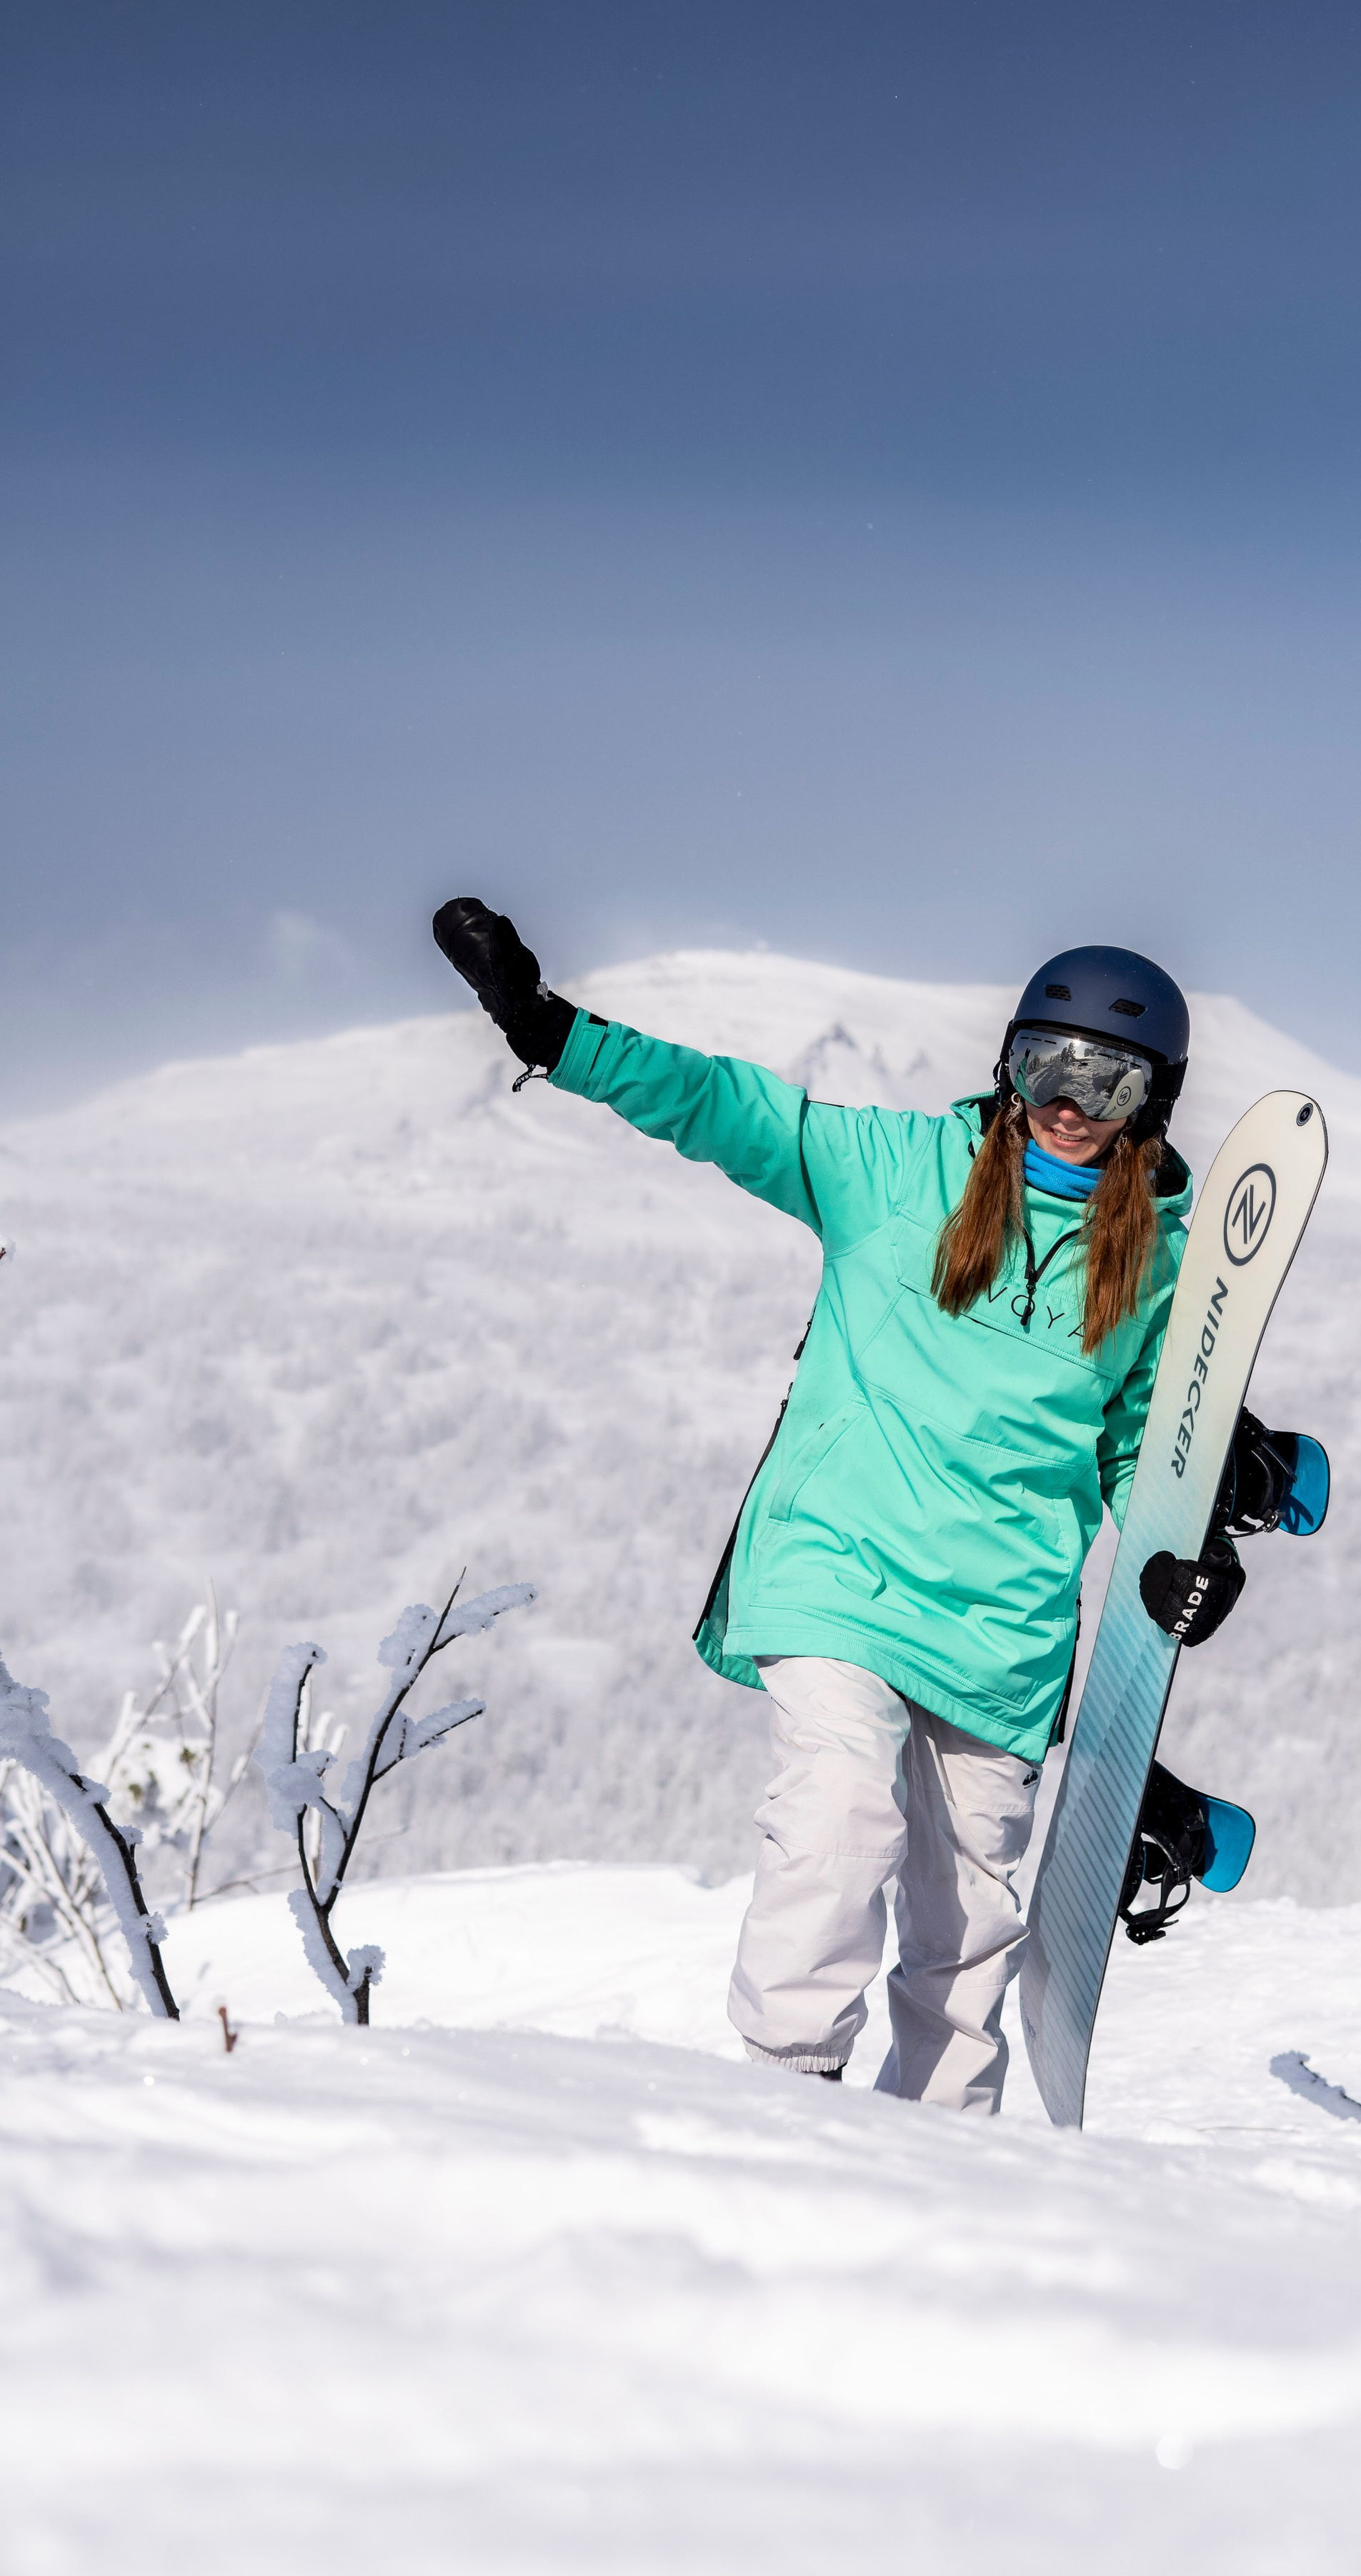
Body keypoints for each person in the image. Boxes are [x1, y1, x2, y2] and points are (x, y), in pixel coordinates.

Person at [434, 899, 1199, 2114]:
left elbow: (1138, 1445)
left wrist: (1175, 1554)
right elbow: (728, 1106)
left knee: (972, 1927)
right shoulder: (891, 1170)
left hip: (1004, 1620)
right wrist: (551, 1030)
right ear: (1005, 1064)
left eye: (1107, 1080)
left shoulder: (1161, 1259)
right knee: (838, 1828)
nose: (1068, 1098)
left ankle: (938, 2156)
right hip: (841, 1563)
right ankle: (783, 2109)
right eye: (1045, 1063)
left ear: (1151, 1101)